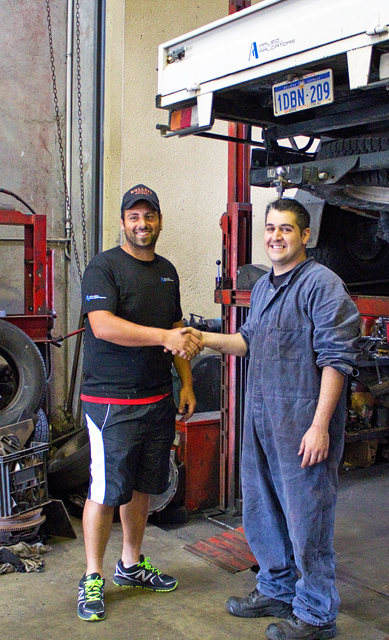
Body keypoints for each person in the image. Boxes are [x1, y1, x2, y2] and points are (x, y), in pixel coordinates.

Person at [187, 198, 361, 640]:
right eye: (270, 229)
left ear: (305, 236)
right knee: (262, 511)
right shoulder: (264, 287)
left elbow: (337, 361)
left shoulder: (322, 285)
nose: (275, 237)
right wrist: (202, 337)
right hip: (262, 421)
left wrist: (320, 425)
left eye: (286, 229)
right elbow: (248, 341)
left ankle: (318, 615)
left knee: (308, 518)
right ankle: (277, 588)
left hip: (303, 424)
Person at [76, 184, 200, 622]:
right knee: (105, 490)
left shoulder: (167, 271)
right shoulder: (104, 267)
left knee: (145, 485)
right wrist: (165, 337)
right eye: (134, 216)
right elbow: (104, 325)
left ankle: (130, 564)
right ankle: (92, 576)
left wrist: (185, 382)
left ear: (159, 221)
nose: (142, 224)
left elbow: (176, 326)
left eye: (149, 216)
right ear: (123, 222)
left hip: (157, 397)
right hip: (111, 401)